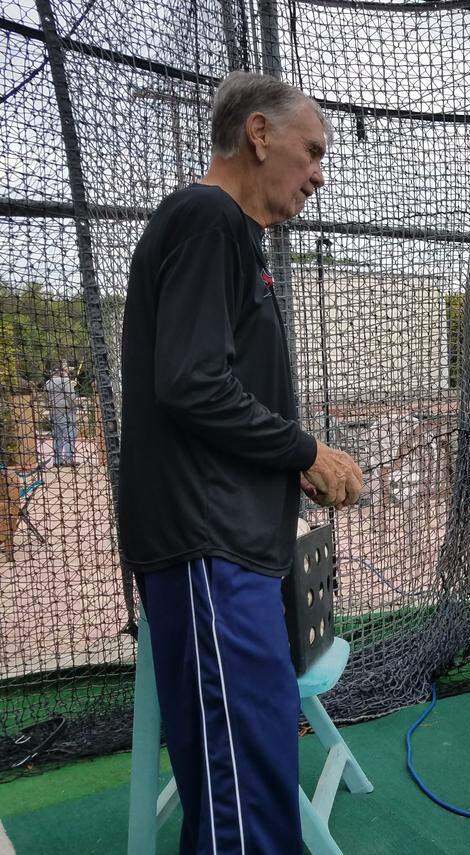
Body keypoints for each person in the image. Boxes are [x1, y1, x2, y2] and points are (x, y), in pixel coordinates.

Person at [119, 71, 364, 853]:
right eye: (312, 151)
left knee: (253, 768)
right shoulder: (205, 217)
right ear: (259, 134)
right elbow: (190, 381)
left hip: (234, 550)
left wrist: (291, 463)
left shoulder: (237, 237)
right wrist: (306, 449)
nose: (319, 173)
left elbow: (211, 391)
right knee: (238, 793)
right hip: (205, 547)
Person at [43, 363, 78, 467]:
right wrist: (74, 407)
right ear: (61, 372)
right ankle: (68, 459)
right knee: (70, 435)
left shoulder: (48, 383)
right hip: (66, 412)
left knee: (57, 437)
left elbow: (45, 397)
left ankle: (57, 460)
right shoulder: (65, 381)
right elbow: (71, 397)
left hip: (54, 412)